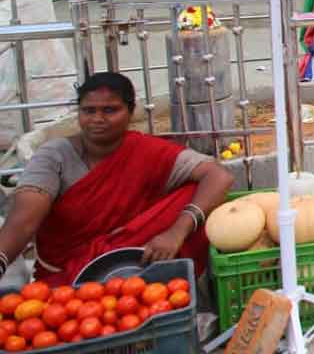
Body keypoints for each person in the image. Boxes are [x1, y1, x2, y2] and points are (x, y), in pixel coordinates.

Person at [0, 72, 233, 286]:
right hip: (66, 279)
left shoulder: (145, 150)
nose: (97, 119)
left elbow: (219, 176)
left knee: (198, 193)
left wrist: (176, 232)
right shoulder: (54, 155)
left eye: (110, 110)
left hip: (133, 267)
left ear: (130, 112)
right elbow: (23, 221)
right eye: (88, 111)